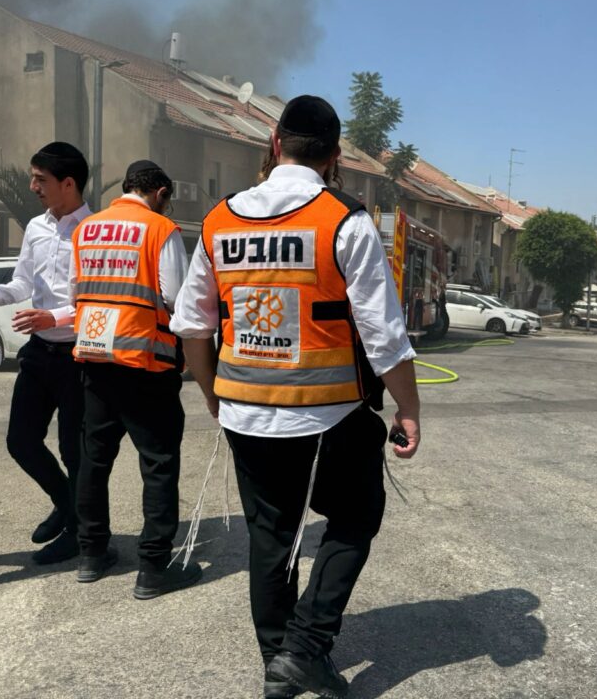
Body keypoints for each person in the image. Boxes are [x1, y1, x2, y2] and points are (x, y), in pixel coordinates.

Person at [171, 95, 421, 699]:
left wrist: (213, 395)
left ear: (275, 144)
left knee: (271, 536)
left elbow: (192, 326)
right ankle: (303, 650)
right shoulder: (344, 221)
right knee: (356, 516)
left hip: (245, 412)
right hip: (329, 414)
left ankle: (276, 661)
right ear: (334, 157)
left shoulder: (219, 221)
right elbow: (383, 334)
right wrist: (409, 409)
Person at [70, 159, 201, 599]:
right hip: (146, 361)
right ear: (160, 192)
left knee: (94, 459)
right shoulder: (160, 229)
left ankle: (91, 554)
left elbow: (75, 291)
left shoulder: (86, 228)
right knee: (159, 463)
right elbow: (176, 298)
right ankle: (153, 566)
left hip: (95, 357)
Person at [0, 142, 90, 564]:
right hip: (39, 353)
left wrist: (53, 317)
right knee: (20, 441)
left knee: (75, 450)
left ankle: (79, 532)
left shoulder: (93, 230)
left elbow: (97, 301)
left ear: (68, 183)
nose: (33, 186)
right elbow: (23, 281)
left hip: (78, 354)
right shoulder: (37, 227)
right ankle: (66, 503)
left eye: (41, 179)